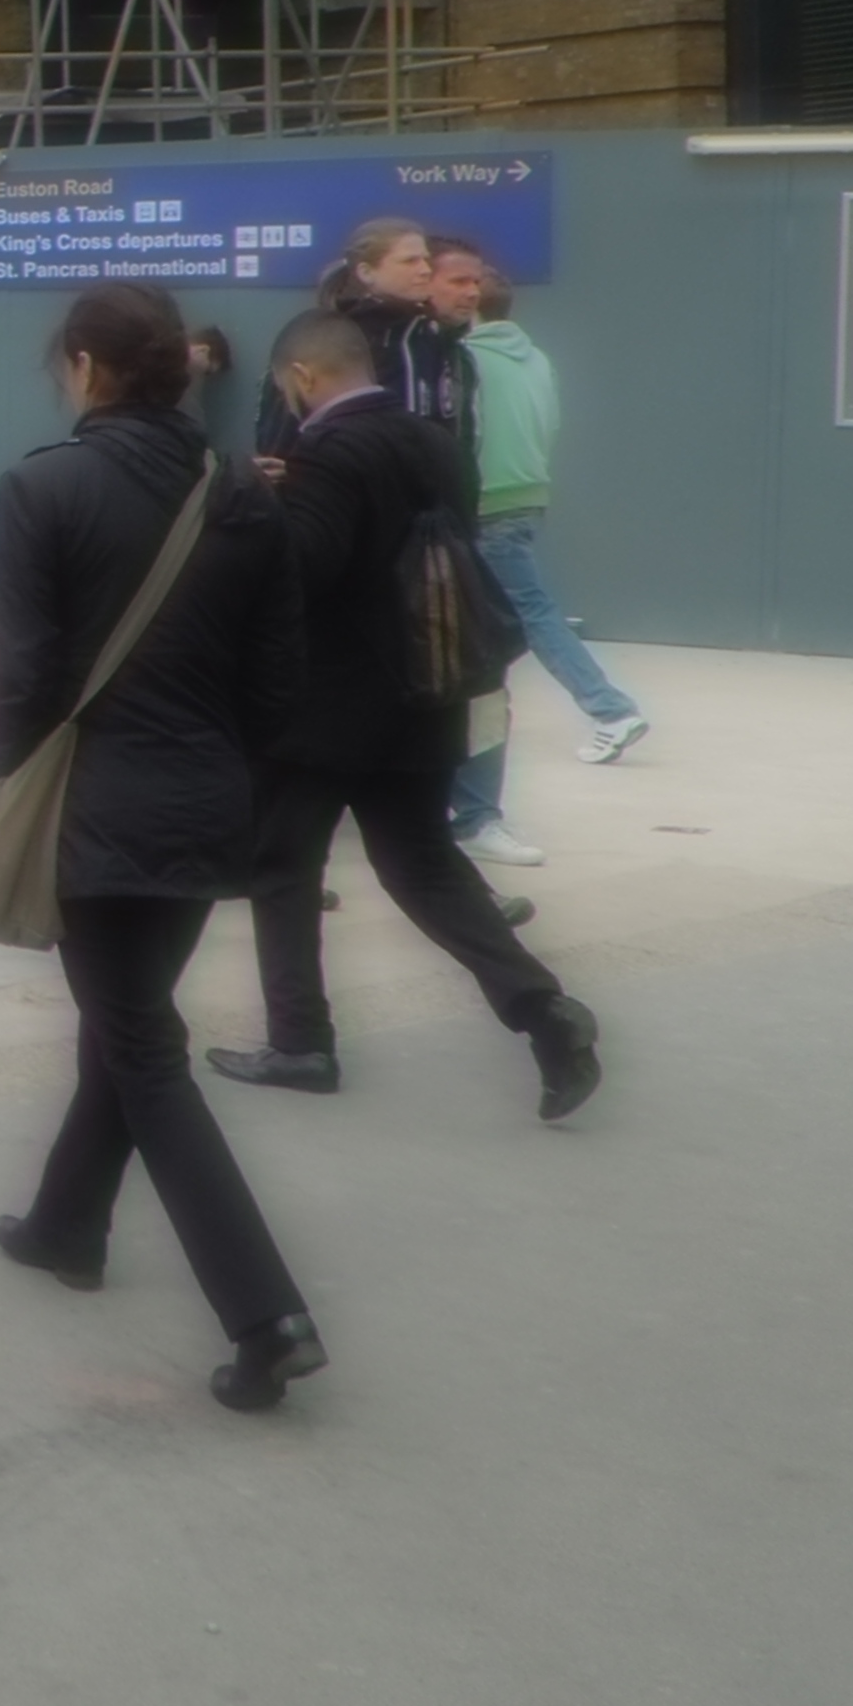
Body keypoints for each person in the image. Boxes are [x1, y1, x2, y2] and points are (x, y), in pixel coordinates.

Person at [0, 282, 327, 1413]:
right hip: (209, 806)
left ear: (85, 366)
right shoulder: (240, 490)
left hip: (93, 814)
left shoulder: (43, 488)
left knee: (142, 1049)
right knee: (125, 1026)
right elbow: (278, 678)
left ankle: (266, 1316)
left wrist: (2, 778)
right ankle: (65, 1225)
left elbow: (19, 676)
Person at [210, 309, 603, 1119]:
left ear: (304, 377)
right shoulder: (435, 441)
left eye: (286, 386)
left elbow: (306, 568)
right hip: (427, 693)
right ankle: (543, 1009)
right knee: (423, 865)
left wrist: (256, 500)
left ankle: (301, 1042)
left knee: (282, 867)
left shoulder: (329, 450)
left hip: (326, 708)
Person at [436, 249, 652, 846]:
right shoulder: (537, 359)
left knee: (530, 616)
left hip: (486, 504)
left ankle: (610, 709)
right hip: (530, 497)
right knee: (524, 614)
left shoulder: (465, 360)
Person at [256, 216, 472, 454]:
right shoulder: (331, 340)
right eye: (410, 261)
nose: (425, 270)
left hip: (431, 475)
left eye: (426, 260)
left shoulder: (436, 338)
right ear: (367, 272)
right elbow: (283, 432)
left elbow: (458, 430)